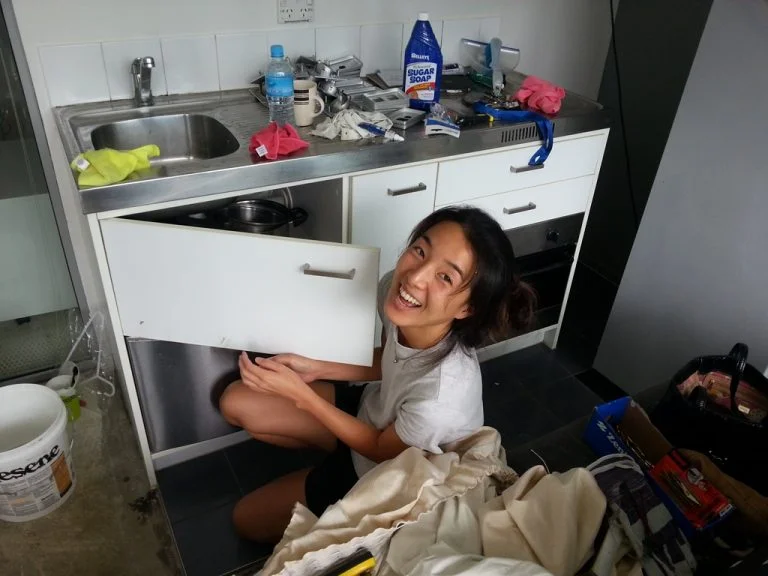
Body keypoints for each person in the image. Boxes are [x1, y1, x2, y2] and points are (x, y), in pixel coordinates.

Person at [219, 206, 536, 543]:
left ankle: (333, 479)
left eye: (445, 277)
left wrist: (303, 396)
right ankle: (327, 459)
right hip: (373, 410)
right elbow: (389, 359)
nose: (415, 277)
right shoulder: (394, 292)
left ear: (466, 308)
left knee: (245, 520)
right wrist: (318, 366)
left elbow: (379, 449)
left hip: (386, 469)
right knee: (235, 401)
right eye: (420, 251)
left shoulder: (442, 397)